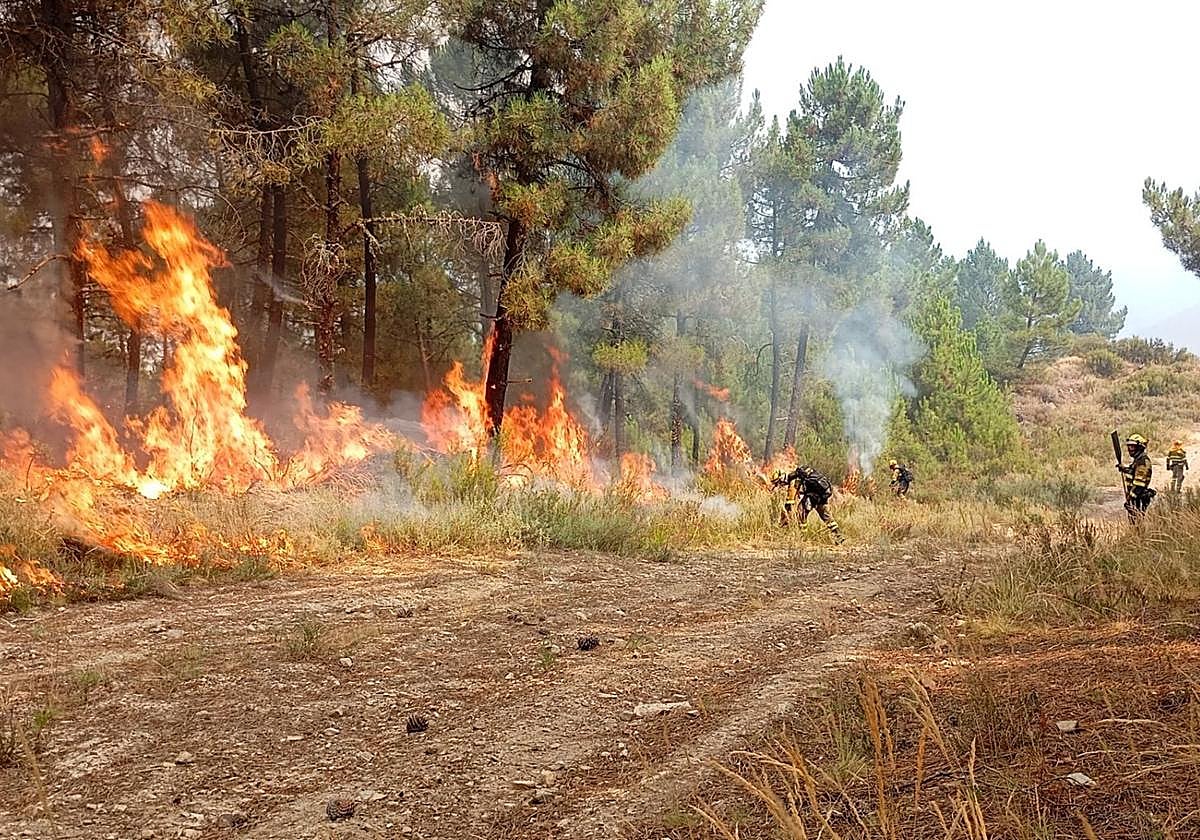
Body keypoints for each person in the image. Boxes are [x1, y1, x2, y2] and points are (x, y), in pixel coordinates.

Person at [770, 465, 845, 544]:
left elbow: (790, 501)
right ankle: (838, 535)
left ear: (782, 478)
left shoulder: (793, 480)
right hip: (822, 494)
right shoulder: (801, 475)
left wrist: (784, 518)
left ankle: (803, 537)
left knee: (801, 512)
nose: (779, 485)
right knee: (826, 516)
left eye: (778, 483)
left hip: (813, 495)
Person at [1118, 433, 1155, 521]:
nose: (1129, 449)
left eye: (1132, 446)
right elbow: (1133, 472)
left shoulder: (1142, 461)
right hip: (1136, 497)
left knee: (1137, 522)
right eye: (1129, 446)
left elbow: (1139, 484)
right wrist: (1124, 469)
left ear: (1140, 447)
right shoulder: (1138, 460)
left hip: (1139, 498)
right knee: (1134, 521)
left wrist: (1130, 499)